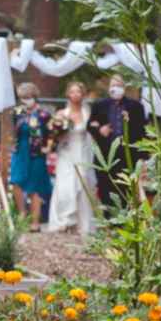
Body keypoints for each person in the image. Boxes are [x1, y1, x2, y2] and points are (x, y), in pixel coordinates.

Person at [88, 73, 147, 208]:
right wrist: (99, 130)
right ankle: (109, 221)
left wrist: (143, 158)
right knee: (105, 187)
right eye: (113, 85)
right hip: (106, 154)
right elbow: (89, 125)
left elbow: (142, 132)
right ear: (109, 88)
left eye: (119, 85)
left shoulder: (136, 106)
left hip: (128, 154)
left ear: (124, 88)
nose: (116, 88)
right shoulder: (99, 105)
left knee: (127, 188)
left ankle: (126, 221)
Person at [48, 81, 96, 237]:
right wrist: (58, 131)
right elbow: (54, 136)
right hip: (67, 152)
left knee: (82, 185)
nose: (75, 95)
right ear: (68, 94)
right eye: (72, 92)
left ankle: (82, 223)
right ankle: (64, 221)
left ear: (82, 95)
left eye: (78, 92)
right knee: (65, 185)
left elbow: (92, 131)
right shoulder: (62, 114)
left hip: (82, 152)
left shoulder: (88, 112)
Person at [9, 81, 52, 231]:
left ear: (35, 96)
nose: (25, 100)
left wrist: (49, 147)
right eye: (22, 97)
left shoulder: (44, 114)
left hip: (36, 153)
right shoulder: (17, 112)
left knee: (35, 186)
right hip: (20, 151)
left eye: (28, 97)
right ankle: (22, 213)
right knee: (16, 181)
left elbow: (51, 134)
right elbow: (11, 130)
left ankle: (35, 221)